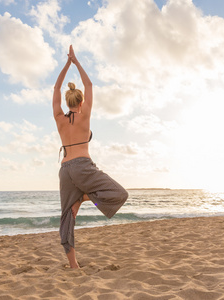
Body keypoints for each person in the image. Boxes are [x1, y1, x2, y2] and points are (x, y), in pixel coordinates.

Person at [52, 45, 128, 269]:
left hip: (65, 170)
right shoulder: (85, 115)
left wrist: (66, 64)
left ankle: (73, 265)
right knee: (118, 194)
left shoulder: (59, 117)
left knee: (67, 216)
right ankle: (86, 199)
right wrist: (76, 62)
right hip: (82, 167)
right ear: (82, 102)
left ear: (67, 102)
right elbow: (89, 84)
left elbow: (56, 87)